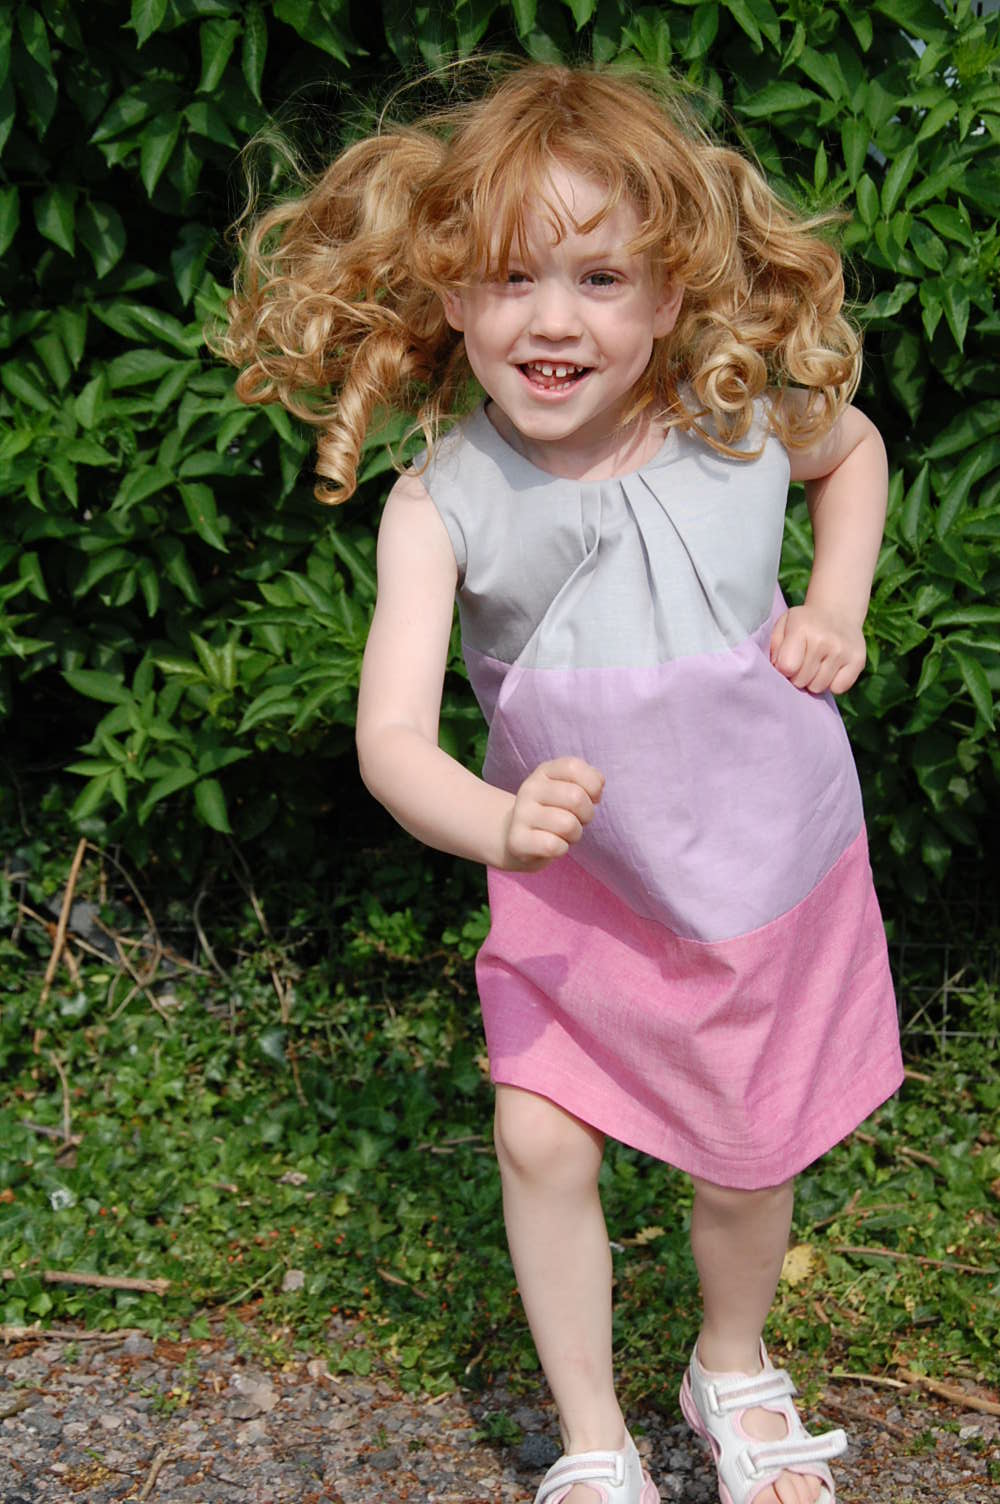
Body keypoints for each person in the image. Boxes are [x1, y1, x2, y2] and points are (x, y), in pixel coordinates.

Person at [221, 60, 904, 1504]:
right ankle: (593, 1436)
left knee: (746, 1157)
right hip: (572, 887)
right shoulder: (443, 501)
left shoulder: (733, 414)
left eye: (599, 278)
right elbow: (391, 739)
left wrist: (835, 604)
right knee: (537, 1135)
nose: (551, 319)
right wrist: (500, 825)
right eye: (510, 276)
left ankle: (730, 1364)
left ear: (667, 294)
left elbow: (855, 454)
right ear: (450, 292)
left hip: (758, 870)